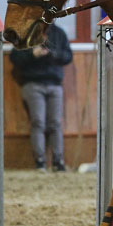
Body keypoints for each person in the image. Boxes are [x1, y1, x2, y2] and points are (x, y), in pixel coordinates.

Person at [10, 23, 73, 172]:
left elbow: (67, 56)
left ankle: (59, 161)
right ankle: (40, 161)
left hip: (54, 83)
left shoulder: (59, 33)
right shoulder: (26, 33)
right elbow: (15, 57)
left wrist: (53, 53)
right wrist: (33, 54)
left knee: (55, 123)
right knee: (38, 122)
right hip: (32, 83)